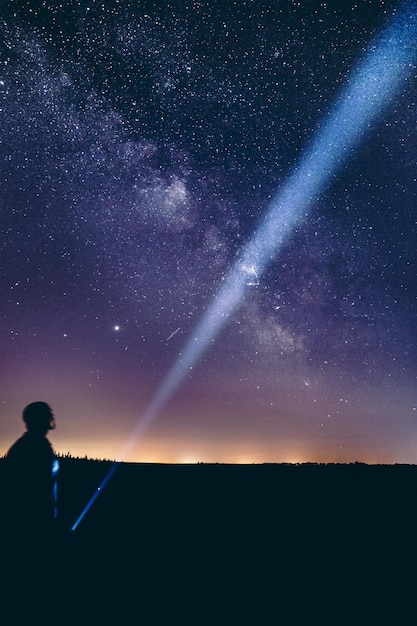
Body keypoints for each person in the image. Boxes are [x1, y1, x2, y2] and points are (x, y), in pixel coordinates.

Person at [4, 401, 58, 541]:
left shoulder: (30, 444)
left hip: (34, 518)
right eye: (46, 417)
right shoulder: (34, 446)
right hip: (31, 521)